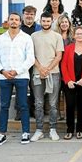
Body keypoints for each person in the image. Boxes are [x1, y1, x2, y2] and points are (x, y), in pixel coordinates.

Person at [0, 12, 35, 146]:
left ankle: (26, 132)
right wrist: (2, 71)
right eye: (12, 19)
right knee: (4, 105)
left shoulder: (26, 38)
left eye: (17, 20)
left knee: (23, 105)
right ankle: (2, 133)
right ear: (8, 21)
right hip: (4, 77)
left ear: (20, 22)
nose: (14, 22)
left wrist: (17, 71)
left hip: (21, 76)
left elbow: (30, 59)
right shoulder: (0, 39)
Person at [30, 12, 65, 142]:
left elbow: (59, 56)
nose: (45, 23)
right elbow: (31, 55)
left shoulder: (57, 36)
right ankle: (39, 130)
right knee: (38, 103)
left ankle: (52, 129)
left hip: (53, 73)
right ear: (40, 21)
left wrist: (48, 69)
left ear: (51, 22)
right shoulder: (33, 36)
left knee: (53, 103)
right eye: (43, 21)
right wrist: (40, 68)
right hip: (37, 73)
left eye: (48, 21)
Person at [61, 28, 82, 140]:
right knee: (70, 106)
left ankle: (80, 130)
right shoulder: (68, 48)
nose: (79, 35)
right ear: (74, 36)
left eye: (81, 33)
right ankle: (69, 130)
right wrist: (68, 80)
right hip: (70, 83)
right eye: (77, 34)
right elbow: (63, 66)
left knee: (81, 106)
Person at [17, 5, 41, 120]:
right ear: (23, 15)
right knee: (20, 87)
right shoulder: (18, 29)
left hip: (35, 62)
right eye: (27, 14)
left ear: (34, 16)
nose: (29, 16)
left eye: (31, 14)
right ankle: (19, 112)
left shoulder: (39, 28)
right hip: (20, 63)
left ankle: (33, 110)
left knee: (34, 88)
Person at [54, 13, 74, 121]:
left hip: (69, 68)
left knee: (68, 93)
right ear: (59, 24)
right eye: (62, 22)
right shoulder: (55, 36)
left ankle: (67, 114)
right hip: (56, 67)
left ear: (69, 24)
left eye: (66, 22)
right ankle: (57, 114)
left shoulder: (72, 37)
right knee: (56, 92)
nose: (64, 24)